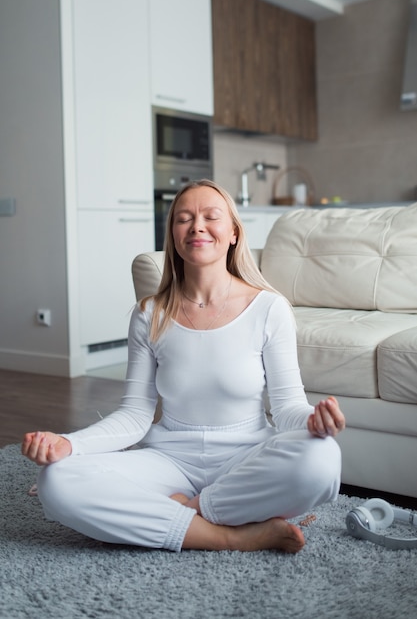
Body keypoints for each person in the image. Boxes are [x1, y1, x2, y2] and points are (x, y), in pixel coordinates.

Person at [22, 179, 345, 554]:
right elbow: (134, 416)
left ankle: (190, 512)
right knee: (57, 481)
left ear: (234, 234)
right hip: (169, 459)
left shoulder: (269, 309)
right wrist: (69, 444)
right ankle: (231, 535)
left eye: (211, 217)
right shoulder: (149, 314)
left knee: (323, 459)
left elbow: (287, 406)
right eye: (184, 218)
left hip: (246, 456)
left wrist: (312, 421)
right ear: (174, 235)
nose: (197, 226)